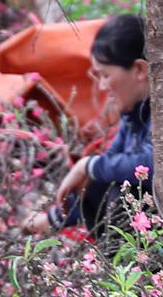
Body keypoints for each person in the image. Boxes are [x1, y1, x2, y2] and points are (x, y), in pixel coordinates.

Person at [27, 13, 152, 238]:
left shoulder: (162, 117)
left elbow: (156, 163)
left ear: (140, 70)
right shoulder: (133, 114)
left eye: (105, 75)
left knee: (110, 187)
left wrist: (87, 165)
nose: (103, 86)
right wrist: (53, 220)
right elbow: (106, 165)